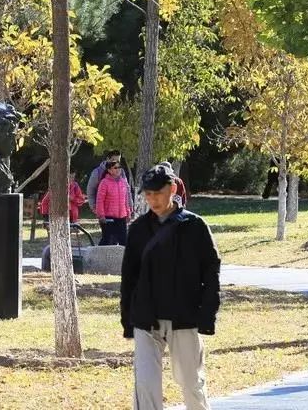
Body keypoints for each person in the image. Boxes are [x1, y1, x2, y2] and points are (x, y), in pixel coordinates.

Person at [120, 164, 221, 410]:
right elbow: (129, 278)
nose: (153, 200)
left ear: (172, 189)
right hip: (146, 318)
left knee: (191, 382)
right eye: (148, 194)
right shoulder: (138, 230)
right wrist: (127, 319)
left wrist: (207, 315)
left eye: (158, 193)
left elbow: (211, 272)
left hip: (184, 316)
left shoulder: (195, 227)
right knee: (145, 386)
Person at [96, 160, 132, 245]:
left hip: (122, 217)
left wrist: (128, 213)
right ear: (109, 170)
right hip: (109, 218)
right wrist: (101, 215)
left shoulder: (123, 182)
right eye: (115, 167)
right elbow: (99, 200)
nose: (118, 169)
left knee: (124, 241)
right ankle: (97, 257)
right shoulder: (104, 183)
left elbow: (125, 199)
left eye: (119, 167)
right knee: (107, 241)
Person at [87, 150, 131, 214]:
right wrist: (93, 207)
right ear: (108, 159)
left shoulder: (121, 172)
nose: (116, 162)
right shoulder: (97, 172)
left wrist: (129, 206)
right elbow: (90, 190)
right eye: (113, 160)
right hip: (104, 211)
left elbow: (127, 190)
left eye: (118, 160)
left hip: (120, 212)